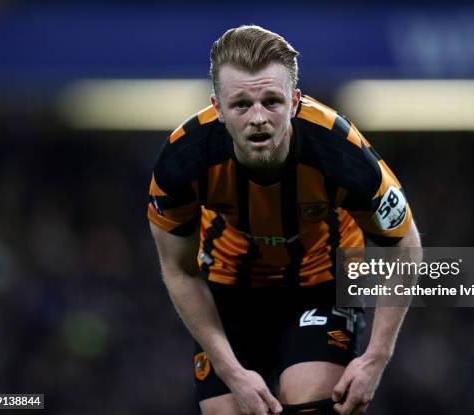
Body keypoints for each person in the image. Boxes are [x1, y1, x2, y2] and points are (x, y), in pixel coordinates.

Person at [148, 25, 421, 415]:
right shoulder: (181, 162)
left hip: (322, 282)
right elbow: (179, 270)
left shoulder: (342, 154)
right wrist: (232, 372)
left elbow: (404, 246)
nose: (258, 117)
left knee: (312, 403)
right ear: (218, 108)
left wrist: (376, 356)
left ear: (294, 101)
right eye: (241, 104)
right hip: (229, 285)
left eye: (271, 101)